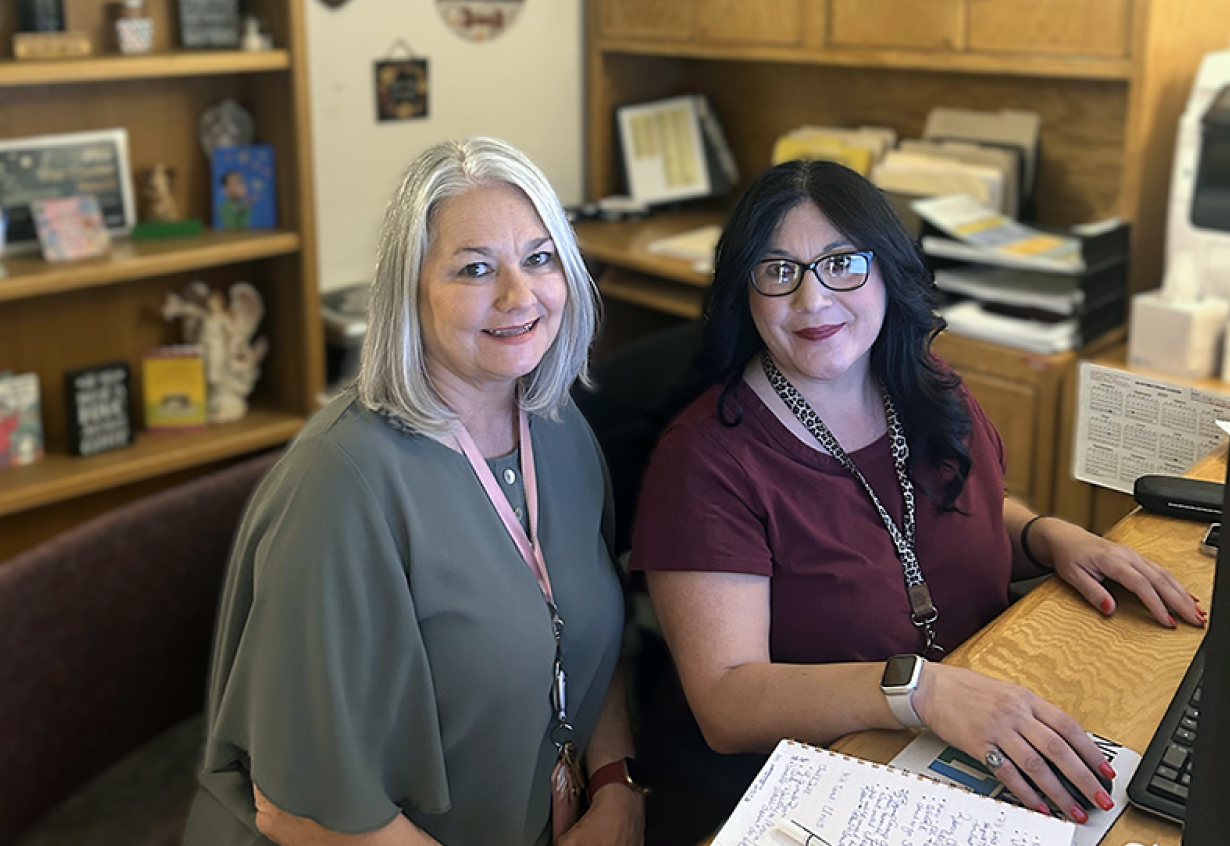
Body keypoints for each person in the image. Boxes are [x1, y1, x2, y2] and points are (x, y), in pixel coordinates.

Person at [629, 159, 1207, 824]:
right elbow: (727, 703)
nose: (812, 300)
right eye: (778, 269)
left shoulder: (924, 386)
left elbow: (951, 522)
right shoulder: (705, 461)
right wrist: (922, 691)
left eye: (842, 262)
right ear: (745, 291)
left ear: (887, 270)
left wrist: (1049, 537)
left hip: (966, 727)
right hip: (816, 788)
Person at [182, 137, 645, 846]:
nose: (519, 296)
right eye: (474, 268)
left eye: (539, 257)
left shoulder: (557, 426)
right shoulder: (340, 484)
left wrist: (617, 789)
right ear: (409, 290)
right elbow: (292, 808)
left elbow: (588, 636)